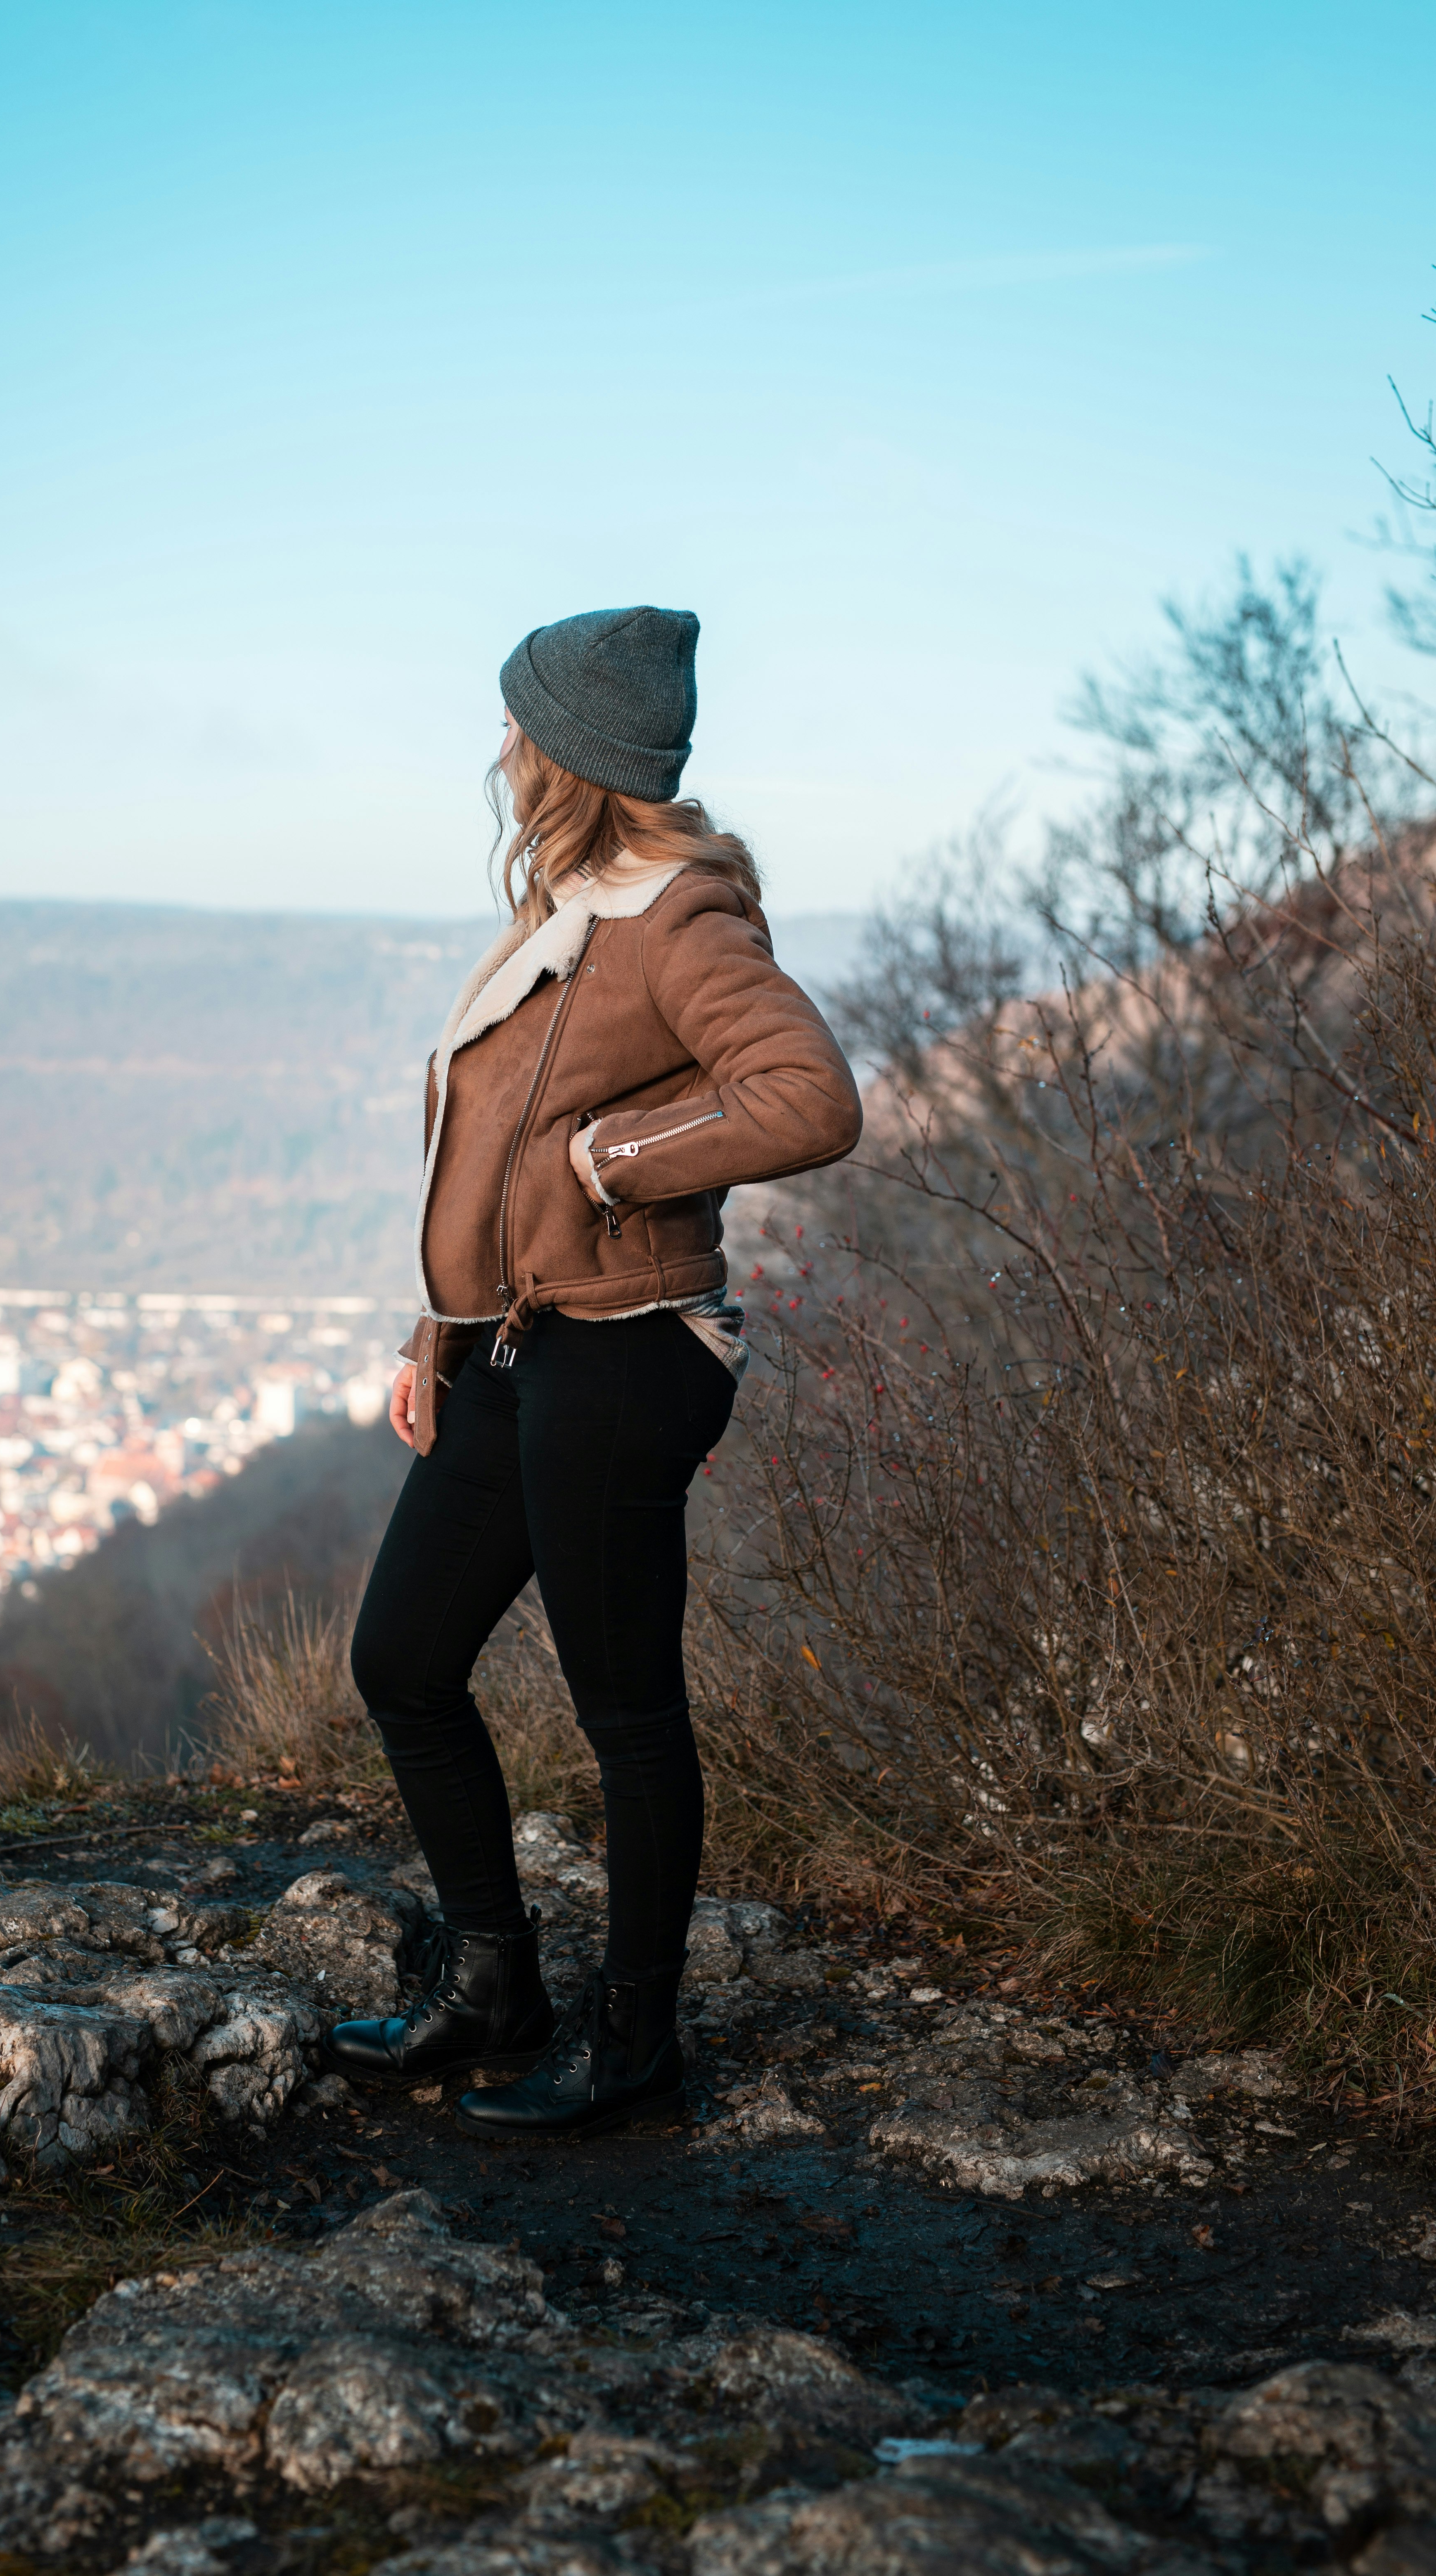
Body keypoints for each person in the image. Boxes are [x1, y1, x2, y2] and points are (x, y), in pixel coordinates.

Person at [322, 605, 863, 2139]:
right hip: (512, 1350)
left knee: (626, 1714)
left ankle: (637, 2052)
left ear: (571, 754)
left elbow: (808, 1098)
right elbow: (489, 1163)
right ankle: (498, 1985)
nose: (503, 752)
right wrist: (437, 1327)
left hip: (626, 1358)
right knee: (403, 1661)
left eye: (520, 728)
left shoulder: (676, 916)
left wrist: (613, 1160)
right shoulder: (572, 910)